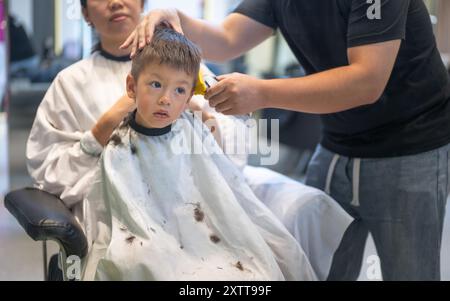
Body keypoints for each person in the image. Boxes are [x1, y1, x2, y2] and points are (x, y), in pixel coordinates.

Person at [123, 0, 450, 280]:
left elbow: (367, 80)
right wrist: (174, 17)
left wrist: (262, 93)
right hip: (336, 143)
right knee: (318, 265)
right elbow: (226, 38)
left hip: (410, 145)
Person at [26, 0, 351, 280]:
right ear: (84, 13)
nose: (115, 2)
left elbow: (232, 152)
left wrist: (209, 123)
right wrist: (109, 123)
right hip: (124, 213)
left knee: (259, 265)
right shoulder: (69, 84)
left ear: (143, 5)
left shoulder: (187, 69)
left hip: (193, 206)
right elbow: (53, 176)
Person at [81, 27, 318, 280]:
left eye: (179, 90)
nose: (166, 99)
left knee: (256, 270)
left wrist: (201, 104)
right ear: (132, 86)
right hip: (146, 239)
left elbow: (217, 174)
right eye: (156, 84)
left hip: (203, 232)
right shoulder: (119, 145)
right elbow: (123, 214)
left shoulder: (194, 128)